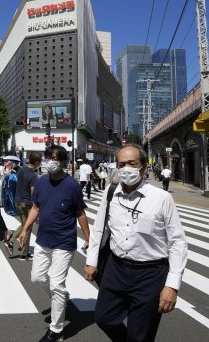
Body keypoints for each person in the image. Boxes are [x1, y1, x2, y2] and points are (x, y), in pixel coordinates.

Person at [84, 144, 188, 342]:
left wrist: (172, 286)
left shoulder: (162, 198)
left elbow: (177, 242)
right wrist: (92, 261)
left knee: (140, 334)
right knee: (104, 318)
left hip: (150, 274)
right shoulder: (111, 192)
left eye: (132, 163)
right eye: (121, 164)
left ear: (144, 168)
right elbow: (99, 230)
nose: (126, 169)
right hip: (116, 268)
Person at [17, 145, 90, 342]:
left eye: (55, 158)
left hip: (64, 242)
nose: (51, 161)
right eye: (48, 157)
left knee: (57, 284)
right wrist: (25, 229)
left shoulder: (72, 185)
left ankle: (56, 330)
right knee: (37, 278)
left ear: (65, 163)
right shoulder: (41, 183)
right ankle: (61, 297)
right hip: (43, 240)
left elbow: (80, 214)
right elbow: (36, 207)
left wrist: (88, 238)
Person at [5, 153, 41, 261]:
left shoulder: (21, 170)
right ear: (37, 163)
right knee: (28, 227)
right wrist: (37, 208)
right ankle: (24, 254)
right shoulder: (33, 175)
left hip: (17, 201)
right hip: (27, 204)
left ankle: (10, 241)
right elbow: (33, 193)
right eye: (39, 162)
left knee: (24, 225)